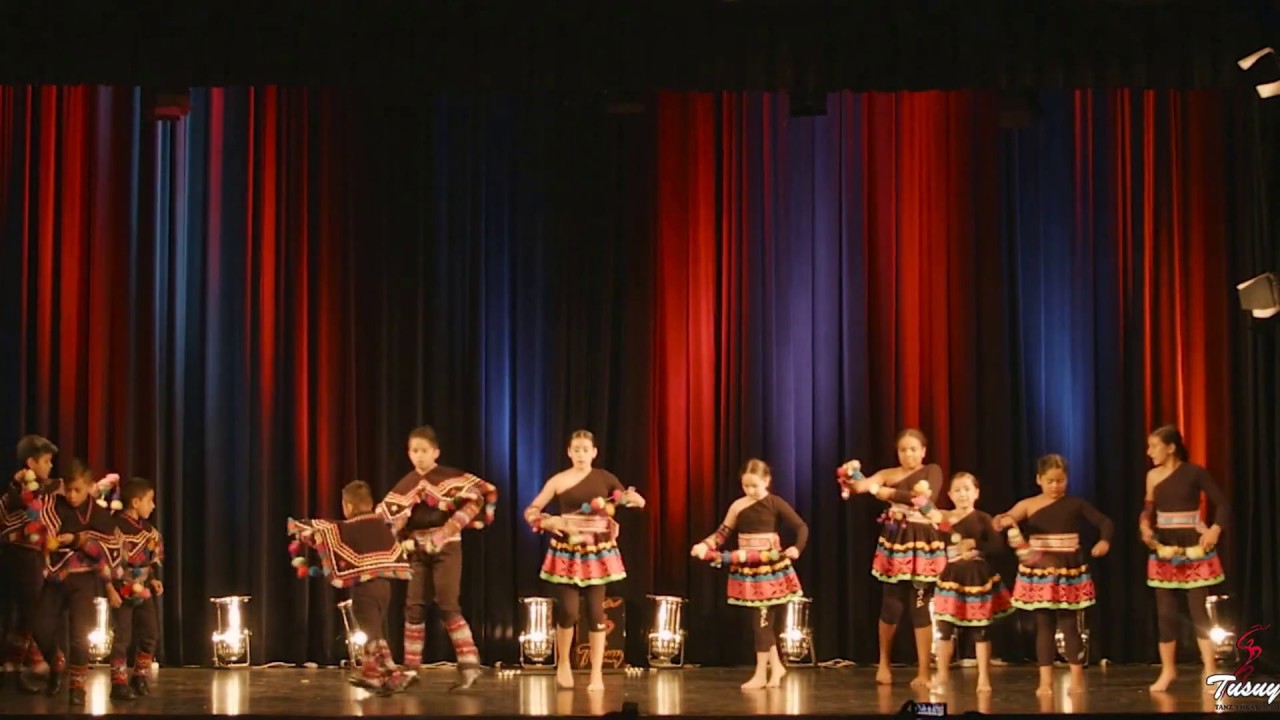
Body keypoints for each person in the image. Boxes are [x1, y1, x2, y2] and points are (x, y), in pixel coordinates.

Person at [375, 426, 497, 690]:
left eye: (424, 451)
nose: (419, 456)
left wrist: (445, 532)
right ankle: (410, 669)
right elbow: (388, 519)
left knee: (447, 603)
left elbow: (477, 499)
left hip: (447, 547)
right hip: (417, 550)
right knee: (414, 606)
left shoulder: (448, 479)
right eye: (414, 451)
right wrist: (401, 536)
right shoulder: (405, 485)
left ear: (435, 452)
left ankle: (469, 665)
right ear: (408, 453)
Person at [523, 430, 645, 692]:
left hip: (597, 552)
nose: (580, 454)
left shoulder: (604, 477)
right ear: (569, 452)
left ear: (594, 452)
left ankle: (596, 674)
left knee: (596, 611)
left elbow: (621, 498)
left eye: (584, 449)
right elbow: (531, 510)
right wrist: (547, 521)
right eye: (575, 449)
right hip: (567, 551)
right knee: (567, 610)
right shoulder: (558, 480)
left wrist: (634, 500)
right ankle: (564, 662)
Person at [993, 453, 1113, 695]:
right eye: (1050, 481)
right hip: (1040, 569)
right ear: (1039, 479)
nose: (1055, 486)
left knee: (1069, 624)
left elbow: (1104, 522)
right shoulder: (1028, 504)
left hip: (1067, 568)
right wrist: (1003, 521)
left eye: (1060, 481)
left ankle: (1077, 678)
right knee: (1043, 624)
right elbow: (1004, 519)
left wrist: (1105, 541)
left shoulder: (1076, 504)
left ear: (1066, 479)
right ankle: (1045, 682)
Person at [839, 428, 947, 687]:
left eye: (913, 449)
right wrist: (849, 474)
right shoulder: (889, 474)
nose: (908, 454)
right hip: (896, 541)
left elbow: (921, 499)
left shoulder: (932, 470)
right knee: (891, 604)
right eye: (903, 449)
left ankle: (923, 671)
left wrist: (887, 494)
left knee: (920, 606)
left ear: (923, 451)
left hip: (922, 543)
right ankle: (884, 663)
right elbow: (862, 486)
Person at [290, 480, 416, 694]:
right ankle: (372, 676)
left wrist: (301, 530)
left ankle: (395, 673)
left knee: (373, 634)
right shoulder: (381, 526)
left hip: (365, 590)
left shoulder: (348, 528)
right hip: (385, 588)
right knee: (374, 630)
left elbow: (327, 532)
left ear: (347, 506)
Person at [691, 458, 807, 690]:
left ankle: (761, 674)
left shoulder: (775, 503)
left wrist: (796, 548)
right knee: (762, 622)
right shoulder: (738, 506)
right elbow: (723, 532)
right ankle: (776, 668)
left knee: (761, 622)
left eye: (755, 485)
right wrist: (705, 545)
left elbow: (801, 527)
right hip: (748, 570)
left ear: (767, 481)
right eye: (746, 486)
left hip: (770, 571)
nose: (750, 490)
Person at [1139, 425, 1229, 692]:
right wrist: (1144, 526)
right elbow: (1148, 509)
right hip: (1165, 545)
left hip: (1192, 545)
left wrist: (1214, 529)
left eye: (1154, 446)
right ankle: (1168, 671)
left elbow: (1223, 504)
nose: (1149, 452)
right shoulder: (1152, 476)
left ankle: (1210, 670)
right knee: (1165, 613)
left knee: (1197, 610)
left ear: (1171, 447)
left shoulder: (1194, 473)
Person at [29, 459, 119, 705]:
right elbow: (37, 524)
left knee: (80, 635)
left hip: (83, 579)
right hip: (56, 577)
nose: (71, 495)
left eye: (77, 490)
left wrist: (78, 540)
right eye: (68, 489)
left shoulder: (99, 514)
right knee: (40, 627)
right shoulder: (54, 506)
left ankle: (77, 686)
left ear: (90, 487)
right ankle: (57, 661)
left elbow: (109, 549)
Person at [930, 472, 1013, 693]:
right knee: (945, 628)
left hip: (977, 577)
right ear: (949, 495)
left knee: (980, 630)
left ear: (976, 493)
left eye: (967, 489)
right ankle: (943, 675)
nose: (962, 494)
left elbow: (998, 548)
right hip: (951, 578)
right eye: (957, 490)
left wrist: (975, 544)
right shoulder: (944, 520)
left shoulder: (983, 518)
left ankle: (984, 678)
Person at [2, 435, 59, 689]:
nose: (50, 466)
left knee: (26, 615)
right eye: (46, 461)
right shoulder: (18, 493)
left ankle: (13, 669)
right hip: (21, 558)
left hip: (35, 557)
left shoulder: (41, 491)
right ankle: (32, 661)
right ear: (30, 463)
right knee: (27, 613)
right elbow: (13, 521)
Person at [103, 477, 164, 700]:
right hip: (122, 589)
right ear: (136, 502)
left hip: (143, 590)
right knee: (123, 637)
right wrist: (110, 588)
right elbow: (108, 561)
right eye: (150, 501)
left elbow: (148, 561)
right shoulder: (116, 527)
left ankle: (140, 676)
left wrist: (153, 579)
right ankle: (118, 683)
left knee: (150, 633)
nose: (153, 505)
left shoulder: (149, 530)